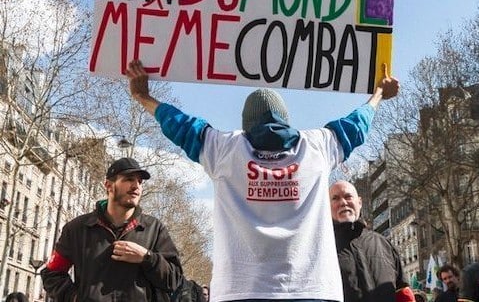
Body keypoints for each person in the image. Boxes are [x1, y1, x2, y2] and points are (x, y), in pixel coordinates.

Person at [126, 59, 400, 302]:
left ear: (247, 123)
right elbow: (357, 124)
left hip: (241, 290)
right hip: (311, 290)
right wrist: (378, 94)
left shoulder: (223, 149)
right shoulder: (317, 147)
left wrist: (143, 97)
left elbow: (180, 125)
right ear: (286, 120)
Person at [41, 157, 183, 301]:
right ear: (109, 185)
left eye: (140, 182)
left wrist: (147, 258)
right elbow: (52, 273)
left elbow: (174, 280)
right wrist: (74, 298)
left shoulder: (155, 229)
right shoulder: (76, 229)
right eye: (129, 179)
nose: (136, 186)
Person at [329, 180, 414, 302]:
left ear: (359, 202)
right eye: (335, 198)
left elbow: (402, 292)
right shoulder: (321, 249)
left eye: (348, 196)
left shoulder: (384, 244)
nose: (343, 202)